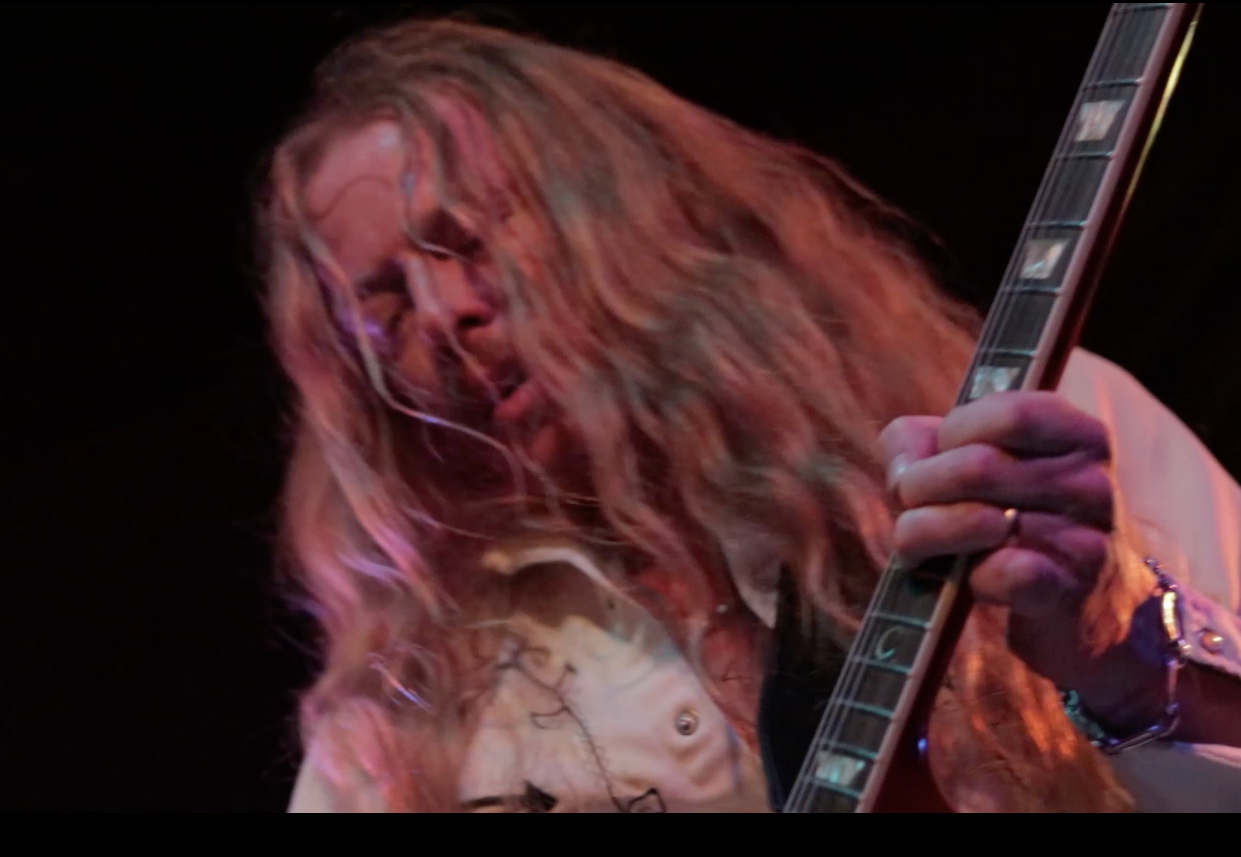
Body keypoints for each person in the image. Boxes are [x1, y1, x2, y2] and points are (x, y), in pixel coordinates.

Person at [257, 18, 1241, 812]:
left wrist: (1119, 654)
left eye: (465, 236)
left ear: (617, 205)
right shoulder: (405, 701)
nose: (442, 314)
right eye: (383, 305)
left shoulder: (1031, 430)